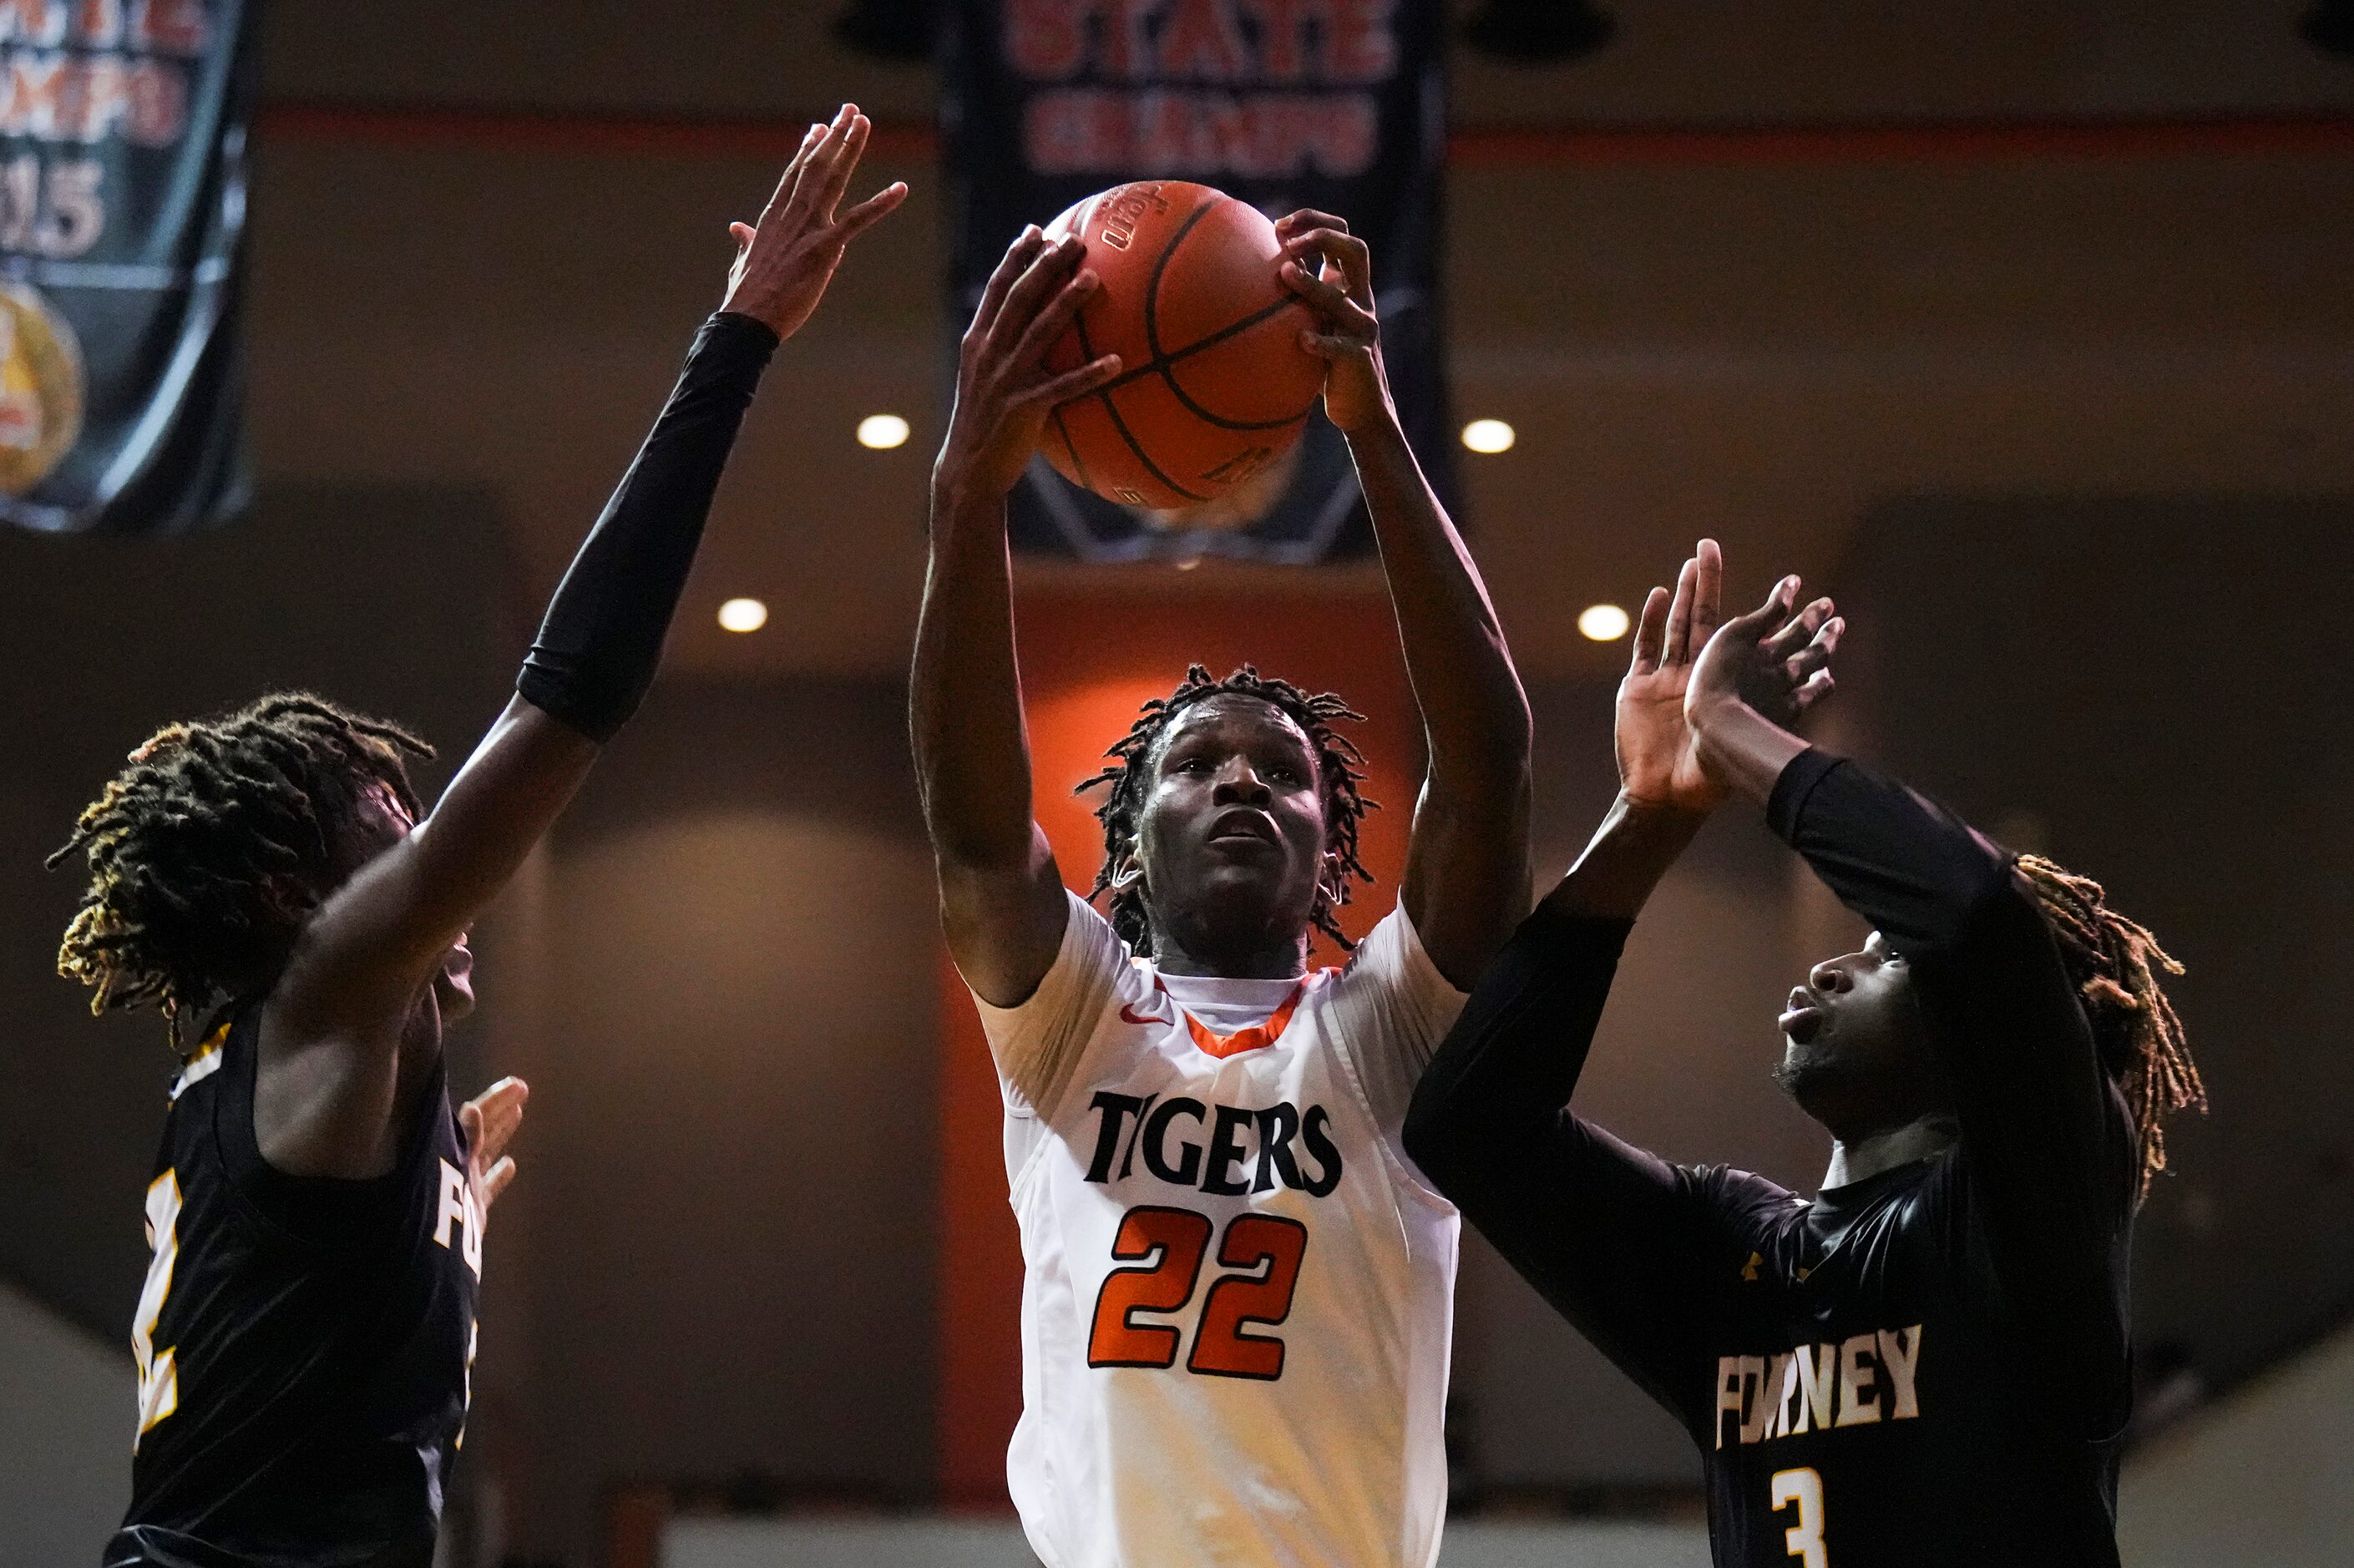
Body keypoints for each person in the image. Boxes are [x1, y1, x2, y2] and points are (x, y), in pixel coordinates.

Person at [52, 106, 905, 1568]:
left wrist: (429, 1246)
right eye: (388, 823)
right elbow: (572, 698)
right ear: (289, 891)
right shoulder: (323, 983)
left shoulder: (278, 1085)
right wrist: (737, 341)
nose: (432, 851)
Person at [911, 213, 1531, 1565]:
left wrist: (1372, 425)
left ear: (1331, 847)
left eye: (1287, 773)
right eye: (1197, 765)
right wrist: (967, 496)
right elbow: (973, 835)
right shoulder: (1072, 1019)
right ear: (1128, 849)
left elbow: (1484, 769)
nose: (1245, 784)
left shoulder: (1383, 1028)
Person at [1404, 541, 2206, 1566]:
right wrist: (1649, 814)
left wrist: (1727, 727)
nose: (1832, 970)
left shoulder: (2026, 1214)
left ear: (1989, 1033)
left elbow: (1971, 919)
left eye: (1884, 959)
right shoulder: (1728, 1255)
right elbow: (1469, 1128)